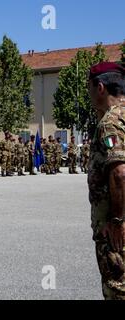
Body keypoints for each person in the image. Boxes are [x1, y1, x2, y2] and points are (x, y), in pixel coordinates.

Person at [87, 61, 125, 300]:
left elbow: (120, 172)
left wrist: (117, 220)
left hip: (117, 229)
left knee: (117, 287)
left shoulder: (110, 123)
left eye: (89, 88)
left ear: (100, 87)